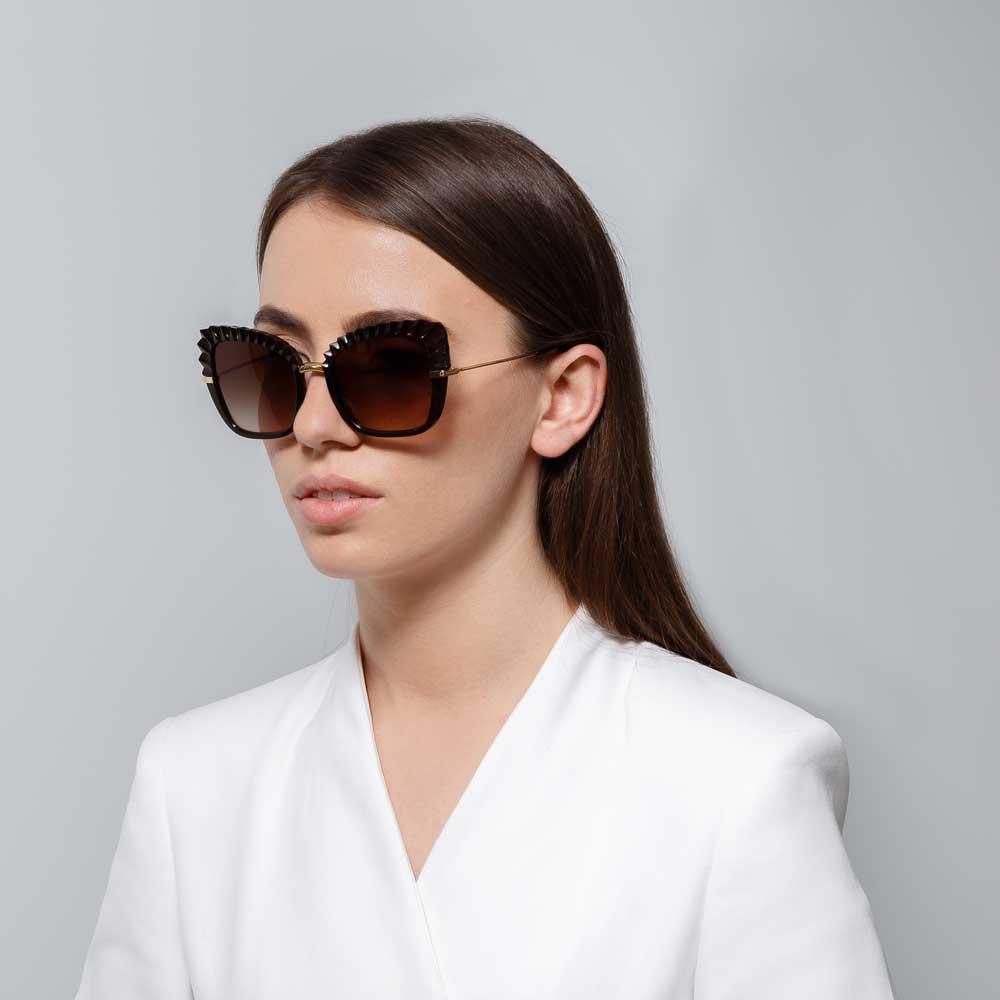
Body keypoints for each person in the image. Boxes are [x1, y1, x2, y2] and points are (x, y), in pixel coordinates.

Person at [74, 116, 897, 999]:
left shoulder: (737, 780)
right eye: (273, 366)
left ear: (564, 397)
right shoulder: (193, 785)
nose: (313, 427)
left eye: (389, 365)